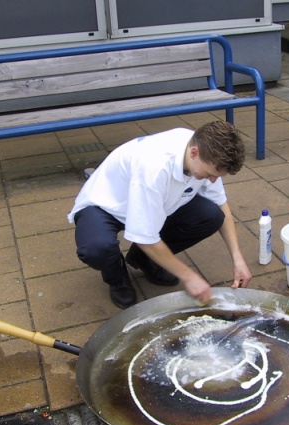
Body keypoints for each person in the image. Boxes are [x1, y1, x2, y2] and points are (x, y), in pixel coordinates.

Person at [67, 120, 253, 309]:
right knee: (97, 248)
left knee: (212, 216)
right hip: (106, 206)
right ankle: (118, 278)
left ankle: (144, 259)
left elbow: (221, 205)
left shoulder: (206, 150)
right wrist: (189, 277)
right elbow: (144, 237)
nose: (212, 180)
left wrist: (238, 259)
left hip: (156, 201)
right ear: (194, 153)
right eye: (209, 174)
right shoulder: (154, 166)